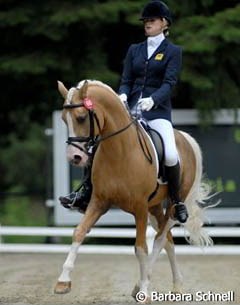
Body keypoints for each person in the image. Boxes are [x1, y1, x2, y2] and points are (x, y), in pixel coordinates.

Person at [60, 0, 188, 223]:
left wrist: (153, 100)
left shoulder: (173, 52)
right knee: (98, 142)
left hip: (157, 113)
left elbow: (169, 83)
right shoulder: (135, 50)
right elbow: (127, 79)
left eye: (152, 20)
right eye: (146, 20)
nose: (147, 24)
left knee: (169, 153)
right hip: (128, 112)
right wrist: (123, 95)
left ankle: (176, 201)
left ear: (164, 23)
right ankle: (83, 193)